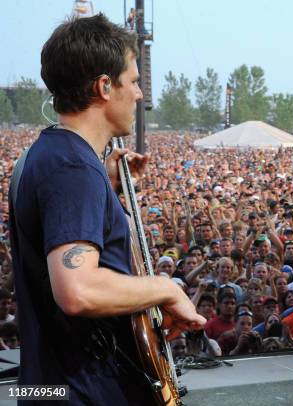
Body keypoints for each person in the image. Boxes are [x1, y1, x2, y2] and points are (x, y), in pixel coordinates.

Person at [8, 15, 205, 405]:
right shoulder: (72, 169)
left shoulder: (49, 154)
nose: (139, 95)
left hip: (49, 386)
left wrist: (105, 185)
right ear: (103, 86)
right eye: (132, 81)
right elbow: (77, 290)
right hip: (84, 393)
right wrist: (166, 288)